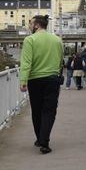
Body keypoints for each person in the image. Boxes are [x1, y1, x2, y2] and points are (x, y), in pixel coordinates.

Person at [19, 15, 64, 154]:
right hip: (52, 79)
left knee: (37, 111)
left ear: (37, 25)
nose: (29, 26)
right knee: (49, 111)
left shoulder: (30, 40)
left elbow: (26, 62)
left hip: (35, 80)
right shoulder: (57, 40)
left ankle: (40, 138)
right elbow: (60, 61)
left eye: (30, 23)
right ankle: (45, 141)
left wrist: (23, 81)